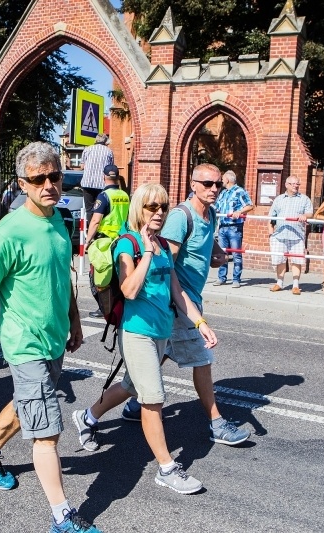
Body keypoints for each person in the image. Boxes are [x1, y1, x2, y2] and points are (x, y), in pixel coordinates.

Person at [0, 142, 102, 533]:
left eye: (55, 176)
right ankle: (62, 517)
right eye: (39, 179)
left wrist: (75, 321)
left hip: (53, 339)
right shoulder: (9, 232)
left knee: (25, 406)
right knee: (48, 431)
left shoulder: (59, 221)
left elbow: (63, 278)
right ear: (23, 184)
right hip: (25, 343)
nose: (50, 185)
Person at [71, 183, 217, 494]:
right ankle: (166, 468)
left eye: (164, 207)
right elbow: (129, 290)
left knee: (130, 386)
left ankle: (87, 416)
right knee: (153, 398)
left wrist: (200, 322)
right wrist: (148, 253)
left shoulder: (164, 245)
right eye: (153, 207)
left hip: (161, 331)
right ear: (139, 208)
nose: (160, 213)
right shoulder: (129, 244)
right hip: (137, 333)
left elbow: (177, 292)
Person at [119, 164, 249, 445]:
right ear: (193, 184)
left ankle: (99, 413)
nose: (213, 189)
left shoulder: (211, 213)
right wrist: (179, 304)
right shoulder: (180, 216)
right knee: (202, 359)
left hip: (188, 301)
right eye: (207, 183)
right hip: (180, 303)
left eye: (218, 184)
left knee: (151, 363)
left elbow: (208, 242)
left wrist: (217, 254)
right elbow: (168, 263)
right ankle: (216, 423)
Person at [85, 163, 130, 318]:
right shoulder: (125, 195)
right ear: (117, 177)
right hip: (122, 239)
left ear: (104, 177)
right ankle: (118, 306)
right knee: (117, 276)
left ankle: (104, 308)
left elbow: (96, 221)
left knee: (98, 275)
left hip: (105, 242)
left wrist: (88, 240)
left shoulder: (104, 196)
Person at [268, 176, 313, 294]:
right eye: (293, 184)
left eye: (297, 184)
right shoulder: (279, 199)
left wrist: (305, 216)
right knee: (280, 260)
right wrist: (271, 233)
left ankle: (295, 285)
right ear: (286, 184)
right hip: (280, 234)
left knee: (297, 260)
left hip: (297, 235)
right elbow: (271, 216)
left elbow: (310, 213)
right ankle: (279, 283)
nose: (295, 186)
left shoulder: (304, 199)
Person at [213, 170, 254, 288]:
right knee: (222, 253)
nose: (221, 181)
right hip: (222, 226)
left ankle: (236, 279)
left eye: (223, 179)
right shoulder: (223, 193)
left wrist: (239, 211)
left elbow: (250, 205)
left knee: (236, 254)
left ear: (228, 179)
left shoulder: (239, 191)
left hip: (234, 227)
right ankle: (221, 278)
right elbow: (217, 207)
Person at [80, 133, 114, 221]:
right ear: (105, 141)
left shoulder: (87, 149)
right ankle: (99, 231)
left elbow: (82, 167)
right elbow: (110, 169)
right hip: (102, 185)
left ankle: (90, 229)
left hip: (87, 183)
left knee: (89, 209)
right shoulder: (109, 151)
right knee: (101, 209)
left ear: (96, 140)